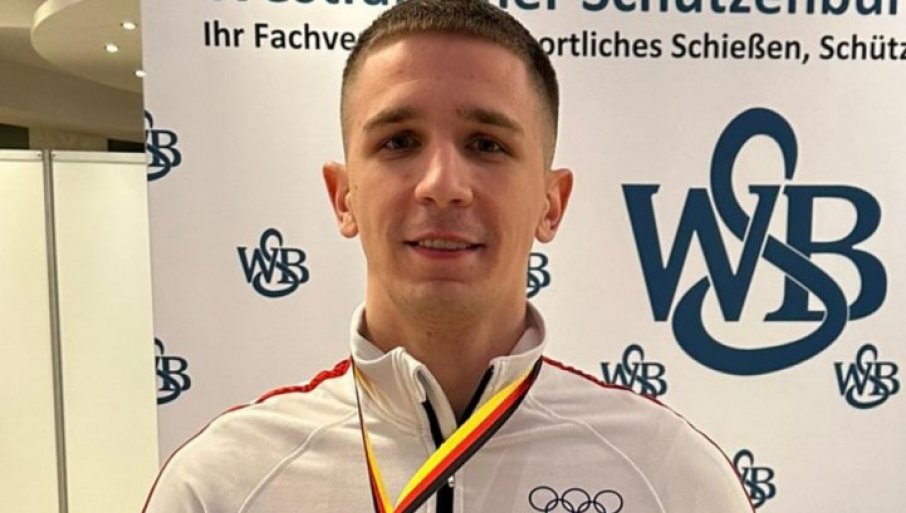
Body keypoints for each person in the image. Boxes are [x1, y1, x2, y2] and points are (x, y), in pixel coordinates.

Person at [144, 1, 753, 512]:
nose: (442, 184)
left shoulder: (670, 479)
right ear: (343, 197)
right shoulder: (222, 484)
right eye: (399, 142)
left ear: (551, 204)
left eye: (486, 144)